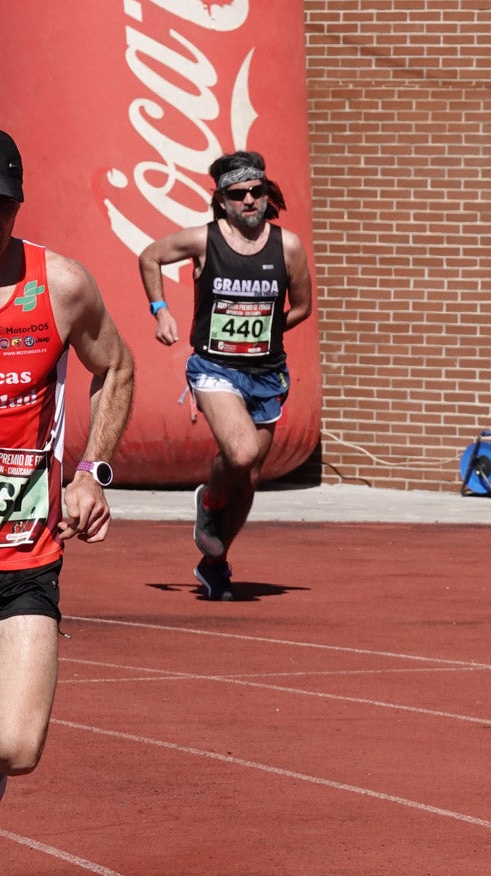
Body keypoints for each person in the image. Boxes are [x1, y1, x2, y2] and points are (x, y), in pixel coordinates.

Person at [0, 126, 135, 817]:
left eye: (0, 204)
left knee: (14, 747)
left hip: (21, 561)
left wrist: (91, 474)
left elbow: (117, 366)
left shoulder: (60, 285)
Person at [138, 151, 313, 601]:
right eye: (239, 194)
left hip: (268, 373)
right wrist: (161, 312)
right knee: (239, 453)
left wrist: (270, 330)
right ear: (222, 201)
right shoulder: (204, 241)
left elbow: (304, 306)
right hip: (214, 368)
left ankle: (215, 562)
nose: (250, 200)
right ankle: (210, 502)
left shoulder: (287, 246)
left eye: (257, 191)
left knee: (251, 475)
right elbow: (150, 257)